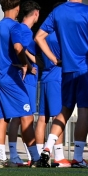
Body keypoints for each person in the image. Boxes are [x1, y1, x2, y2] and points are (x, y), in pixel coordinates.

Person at [35, 0, 88, 169]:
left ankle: (47, 148)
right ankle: (78, 157)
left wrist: (53, 59)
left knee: (64, 110)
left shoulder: (57, 12)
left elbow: (39, 37)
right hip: (85, 68)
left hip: (66, 69)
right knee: (84, 111)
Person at [0, 0, 40, 168]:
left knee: (2, 119)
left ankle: (1, 158)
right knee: (27, 115)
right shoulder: (16, 26)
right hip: (11, 78)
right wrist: (25, 64)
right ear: (17, 8)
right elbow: (18, 47)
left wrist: (1, 61)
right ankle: (36, 158)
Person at [6, 0, 42, 167]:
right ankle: (34, 156)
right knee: (27, 118)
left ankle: (13, 154)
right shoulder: (26, 32)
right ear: (35, 13)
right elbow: (22, 49)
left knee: (17, 118)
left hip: (17, 77)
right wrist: (31, 64)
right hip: (27, 80)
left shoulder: (15, 28)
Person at [34, 30, 68, 167]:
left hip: (45, 77)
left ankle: (37, 155)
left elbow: (30, 50)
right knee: (58, 117)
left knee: (42, 118)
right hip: (57, 77)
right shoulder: (61, 35)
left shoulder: (44, 35)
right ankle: (59, 157)